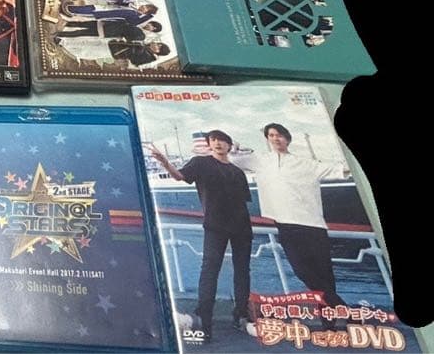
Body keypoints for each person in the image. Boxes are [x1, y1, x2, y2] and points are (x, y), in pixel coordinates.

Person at [229, 123, 351, 321]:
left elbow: (340, 168)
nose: (275, 139)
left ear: (287, 138)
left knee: (325, 277)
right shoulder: (261, 160)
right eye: (271, 135)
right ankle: (347, 313)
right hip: (285, 225)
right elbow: (233, 159)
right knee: (303, 273)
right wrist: (235, 147)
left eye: (279, 135)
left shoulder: (305, 163)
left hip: (314, 226)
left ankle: (329, 322)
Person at [150, 131, 253, 342]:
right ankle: (204, 319)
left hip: (242, 227)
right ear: (208, 144)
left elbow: (242, 201)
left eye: (222, 140)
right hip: (215, 226)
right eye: (213, 140)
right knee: (210, 271)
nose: (217, 143)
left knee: (243, 271)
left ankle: (241, 314)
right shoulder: (201, 163)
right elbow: (180, 176)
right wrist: (165, 163)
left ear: (229, 145)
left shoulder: (237, 172)